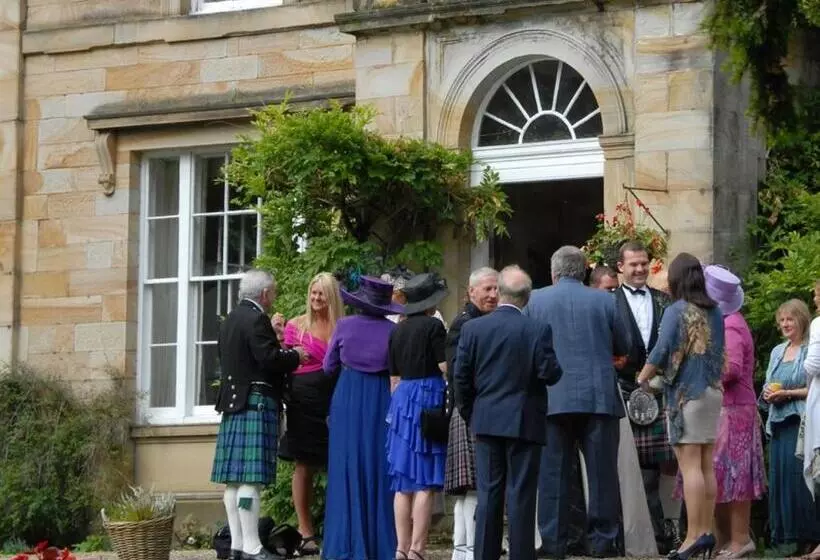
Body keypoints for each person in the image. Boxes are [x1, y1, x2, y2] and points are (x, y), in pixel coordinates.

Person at [454, 265, 562, 560]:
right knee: (522, 495)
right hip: (525, 420)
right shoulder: (537, 330)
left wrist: (471, 413)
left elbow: (460, 378)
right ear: (526, 298)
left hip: (487, 419)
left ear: (499, 292)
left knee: (489, 494)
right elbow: (550, 373)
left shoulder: (473, 329)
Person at [526, 246, 628, 558]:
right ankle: (602, 541)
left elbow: (528, 347)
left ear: (554, 273)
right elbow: (624, 344)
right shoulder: (605, 300)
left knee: (552, 473)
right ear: (584, 271)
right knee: (602, 474)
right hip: (598, 395)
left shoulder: (534, 301)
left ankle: (555, 542)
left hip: (552, 396)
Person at [210, 269, 307, 560]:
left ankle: (238, 546)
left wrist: (273, 339)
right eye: (273, 292)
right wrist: (295, 355)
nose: (273, 297)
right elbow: (269, 359)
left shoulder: (230, 321)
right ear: (264, 294)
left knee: (234, 481)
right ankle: (253, 547)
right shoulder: (256, 319)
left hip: (233, 402)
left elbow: (242, 357)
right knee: (250, 479)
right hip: (256, 402)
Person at [636, 253, 725, 560]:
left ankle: (693, 536)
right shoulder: (715, 311)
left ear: (676, 279)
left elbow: (662, 351)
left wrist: (643, 377)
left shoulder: (677, 310)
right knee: (705, 465)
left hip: (688, 394)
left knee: (690, 468)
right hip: (713, 392)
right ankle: (706, 532)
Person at [322, 276, 404, 560]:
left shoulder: (344, 326)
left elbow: (327, 366)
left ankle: (344, 544)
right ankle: (382, 543)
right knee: (380, 465)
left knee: (346, 466)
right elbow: (398, 370)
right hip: (382, 398)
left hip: (348, 397)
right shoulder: (393, 332)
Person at [612, 241, 677, 555]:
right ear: (620, 267)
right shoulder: (607, 303)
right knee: (624, 469)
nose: (639, 269)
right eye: (632, 264)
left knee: (652, 471)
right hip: (623, 392)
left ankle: (658, 538)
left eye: (643, 263)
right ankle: (628, 537)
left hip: (658, 392)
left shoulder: (665, 301)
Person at [697, 266, 765, 558]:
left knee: (736, 477)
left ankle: (739, 540)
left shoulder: (731, 325)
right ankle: (725, 540)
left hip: (735, 410)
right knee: (721, 475)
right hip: (725, 409)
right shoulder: (724, 322)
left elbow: (731, 369)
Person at [590, 265, 658, 558]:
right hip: (605, 393)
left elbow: (625, 347)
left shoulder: (656, 301)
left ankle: (641, 535)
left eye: (614, 289)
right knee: (604, 470)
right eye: (607, 290)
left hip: (633, 390)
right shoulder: (598, 309)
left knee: (639, 470)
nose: (612, 295)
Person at [276, 273, 344, 556]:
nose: (316, 299)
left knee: (337, 464)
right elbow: (285, 362)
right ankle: (306, 531)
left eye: (322, 294)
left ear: (332, 297)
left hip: (336, 398)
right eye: (313, 293)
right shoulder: (296, 325)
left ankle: (339, 529)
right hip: (302, 401)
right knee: (303, 464)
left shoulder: (343, 326)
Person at [386, 273, 450, 560]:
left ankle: (401, 547)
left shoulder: (397, 330)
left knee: (403, 482)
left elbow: (393, 376)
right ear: (429, 303)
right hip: (428, 394)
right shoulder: (435, 326)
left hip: (401, 398)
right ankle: (418, 549)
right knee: (425, 479)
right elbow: (444, 365)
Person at [444, 267, 499, 560]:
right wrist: (469, 412)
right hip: (471, 409)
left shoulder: (492, 321)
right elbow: (458, 375)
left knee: (476, 486)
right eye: (487, 289)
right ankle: (464, 550)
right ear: (471, 291)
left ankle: (464, 550)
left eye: (496, 289)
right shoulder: (462, 324)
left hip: (484, 409)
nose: (492, 295)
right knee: (471, 487)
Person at [761, 299, 819, 557]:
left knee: (801, 481)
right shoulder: (777, 351)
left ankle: (809, 536)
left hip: (801, 423)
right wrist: (768, 393)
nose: (785, 324)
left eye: (790, 319)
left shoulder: (811, 351)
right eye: (782, 320)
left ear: (802, 320)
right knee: (781, 480)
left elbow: (814, 389)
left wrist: (788, 393)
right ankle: (785, 538)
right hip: (779, 424)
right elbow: (768, 383)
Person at [799, 279, 820, 560]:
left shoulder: (817, 325)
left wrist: (804, 364)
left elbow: (814, 364)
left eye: (817, 294)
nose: (815, 299)